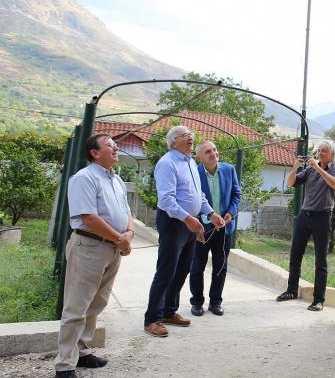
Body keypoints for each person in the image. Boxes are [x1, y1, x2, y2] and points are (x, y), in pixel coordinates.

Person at [55, 134, 134, 378]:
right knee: (77, 306)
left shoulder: (117, 180)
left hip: (112, 248)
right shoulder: (84, 178)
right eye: (111, 145)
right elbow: (89, 217)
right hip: (89, 247)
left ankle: (82, 350)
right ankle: (65, 364)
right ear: (95, 153)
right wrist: (119, 238)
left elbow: (126, 211)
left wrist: (129, 233)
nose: (116, 148)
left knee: (97, 303)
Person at [143, 126, 225, 337]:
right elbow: (167, 200)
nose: (191, 137)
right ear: (173, 142)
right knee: (166, 271)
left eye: (191, 135)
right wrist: (189, 219)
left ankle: (169, 311)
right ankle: (152, 318)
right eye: (185, 135)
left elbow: (198, 195)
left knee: (182, 269)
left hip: (191, 222)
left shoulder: (190, 162)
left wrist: (210, 214)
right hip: (174, 223)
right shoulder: (167, 163)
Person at [276, 140, 335, 311]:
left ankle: (318, 300)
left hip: (322, 217)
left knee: (320, 260)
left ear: (332, 155)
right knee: (295, 254)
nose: (320, 153)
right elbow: (291, 183)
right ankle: (291, 291)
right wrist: (294, 167)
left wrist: (318, 168)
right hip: (304, 215)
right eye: (319, 150)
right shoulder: (309, 170)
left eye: (324, 151)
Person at [189, 140, 241, 317]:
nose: (213, 153)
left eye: (215, 150)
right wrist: (196, 227)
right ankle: (196, 303)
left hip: (224, 228)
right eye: (208, 152)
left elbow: (236, 194)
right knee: (197, 266)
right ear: (199, 157)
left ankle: (215, 302)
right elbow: (190, 201)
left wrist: (231, 213)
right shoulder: (194, 173)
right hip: (202, 229)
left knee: (221, 267)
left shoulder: (229, 169)